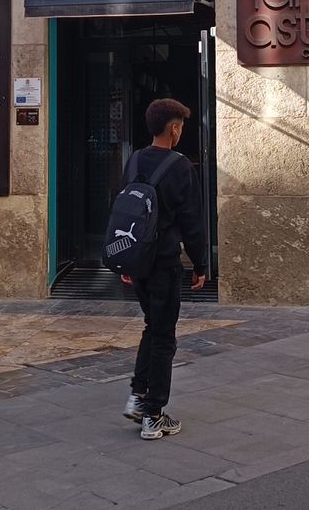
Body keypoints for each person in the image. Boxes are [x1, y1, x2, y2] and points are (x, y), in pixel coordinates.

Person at [120, 98, 209, 441]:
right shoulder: (180, 165)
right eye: (181, 126)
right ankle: (153, 415)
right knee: (164, 337)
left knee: (152, 327)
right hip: (164, 263)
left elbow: (125, 210)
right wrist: (200, 264)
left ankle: (138, 395)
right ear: (173, 128)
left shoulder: (134, 160)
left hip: (137, 261)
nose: (181, 132)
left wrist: (125, 259)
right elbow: (192, 222)